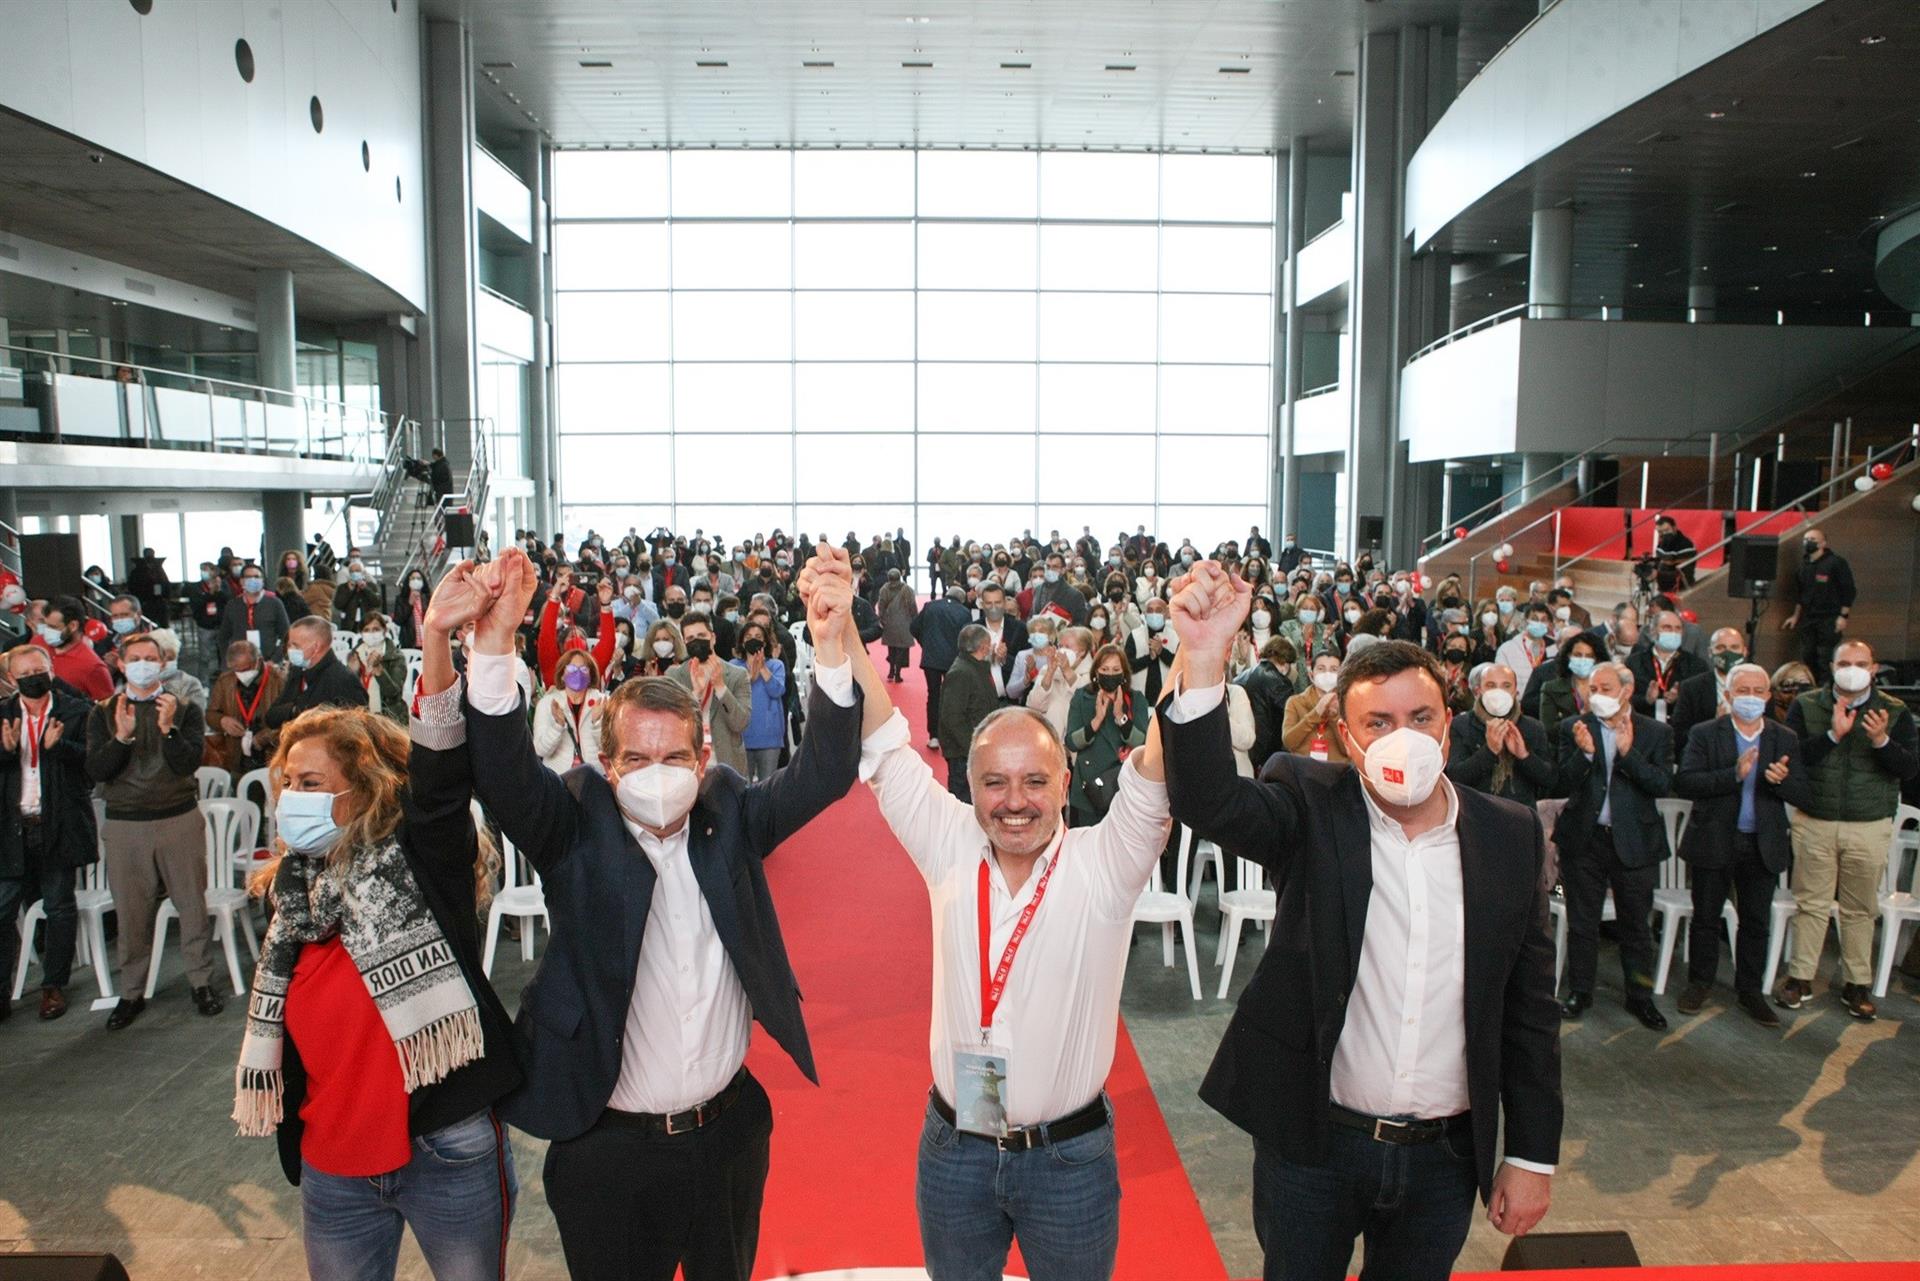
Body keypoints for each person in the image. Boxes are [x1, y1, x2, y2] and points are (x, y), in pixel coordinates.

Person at [448, 544, 866, 1281]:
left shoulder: (731, 810)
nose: (657, 775)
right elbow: (505, 773)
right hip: (608, 1148)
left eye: (673, 758)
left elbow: (827, 773)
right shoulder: (574, 820)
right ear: (606, 766)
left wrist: (829, 646)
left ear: (702, 760)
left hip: (726, 1134)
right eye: (636, 761)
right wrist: (494, 645)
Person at [1159, 563, 1560, 1281]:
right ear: (1347, 736)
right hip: (1317, 1141)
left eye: (1420, 718)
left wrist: (1530, 1154)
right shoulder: (1309, 803)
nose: (1402, 737)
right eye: (1379, 722)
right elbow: (1212, 801)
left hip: (1443, 1155)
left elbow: (1529, 1009)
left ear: (1449, 722)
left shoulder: (1510, 833)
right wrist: (1205, 657)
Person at [847, 608, 1171, 1280]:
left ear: (1063, 786)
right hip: (955, 1150)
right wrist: (841, 632)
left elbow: (1153, 779)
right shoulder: (948, 840)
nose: (1014, 801)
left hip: (1069, 1161)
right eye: (995, 781)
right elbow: (884, 746)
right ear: (970, 787)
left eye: (1035, 781)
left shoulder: (1105, 861)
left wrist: (1199, 654)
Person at [234, 680, 521, 1281]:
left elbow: (441, 782)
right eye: (287, 782)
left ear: (362, 789)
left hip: (444, 1149)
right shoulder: (289, 896)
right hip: (333, 1162)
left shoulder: (422, 861)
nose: (292, 797)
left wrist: (439, 637)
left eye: (311, 784)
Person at [1777, 639, 1918, 1020]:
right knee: (1811, 904)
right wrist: (1832, 736)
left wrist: (1881, 741)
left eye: (1860, 663)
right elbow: (1794, 759)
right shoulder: (1806, 705)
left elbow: (1908, 769)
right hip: (1816, 819)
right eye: (1845, 662)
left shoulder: (1895, 711)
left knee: (1860, 909)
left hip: (1868, 823)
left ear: (1873, 669)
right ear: (1832, 666)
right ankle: (1800, 977)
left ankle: (1857, 984)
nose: (1852, 668)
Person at [85, 632, 218, 1027]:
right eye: (135, 658)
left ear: (162, 664)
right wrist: (122, 738)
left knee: (192, 907)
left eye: (151, 657)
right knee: (132, 914)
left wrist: (168, 728)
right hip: (126, 824)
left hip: (178, 817)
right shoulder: (102, 713)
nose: (144, 664)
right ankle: (131, 993)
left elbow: (187, 763)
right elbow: (98, 770)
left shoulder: (185, 709)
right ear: (121, 665)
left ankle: (201, 983)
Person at [1672, 663, 1811, 1026]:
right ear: (1729, 696)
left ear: (1768, 696)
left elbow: (1802, 792)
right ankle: (1699, 983)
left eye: (1758, 691)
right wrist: (1732, 775)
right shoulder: (1705, 733)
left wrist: (1781, 782)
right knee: (1705, 918)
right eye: (1742, 691)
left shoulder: (1784, 738)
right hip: (1714, 838)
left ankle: (1750, 991)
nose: (1750, 697)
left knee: (1755, 922)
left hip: (1761, 842)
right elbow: (1686, 782)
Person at [1553, 661, 1674, 1030]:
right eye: (1593, 689)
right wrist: (1586, 755)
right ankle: (1580, 992)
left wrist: (1628, 754)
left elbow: (1661, 784)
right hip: (1584, 840)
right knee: (1583, 921)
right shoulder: (1573, 729)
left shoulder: (1655, 732)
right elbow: (1559, 781)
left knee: (1636, 925)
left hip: (1635, 841)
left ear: (1627, 689)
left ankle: (1641, 997)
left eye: (1605, 688)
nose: (1597, 696)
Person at [0, 645, 96, 1022]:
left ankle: (53, 986)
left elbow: (94, 769)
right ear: (11, 679)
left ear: (52, 671)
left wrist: (60, 749)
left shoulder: (76, 711)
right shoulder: (3, 716)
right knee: (3, 910)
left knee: (59, 907)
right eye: (25, 674)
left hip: (58, 825)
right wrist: (5, 753)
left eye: (39, 670)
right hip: (11, 828)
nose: (33, 678)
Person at [1447, 663, 1554, 807]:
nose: (1499, 692)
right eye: (1491, 686)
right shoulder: (1461, 725)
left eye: (1506, 686)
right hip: (1475, 812)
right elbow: (1455, 778)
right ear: (1478, 691)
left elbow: (1549, 780)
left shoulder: (1533, 727)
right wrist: (1489, 751)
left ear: (1516, 692)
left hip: (1520, 815)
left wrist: (1524, 756)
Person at [1065, 645, 1147, 826]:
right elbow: (1071, 741)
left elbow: (1143, 742)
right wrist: (1096, 721)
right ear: (1096, 672)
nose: (1110, 674)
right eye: (1105, 669)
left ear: (1124, 673)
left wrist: (1121, 717)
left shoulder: (1136, 699)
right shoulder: (1082, 696)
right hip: (1087, 792)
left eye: (1116, 670)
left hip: (1122, 788)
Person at [666, 612, 753, 776]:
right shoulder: (674, 676)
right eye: (690, 638)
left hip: (726, 764)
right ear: (684, 642)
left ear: (712, 638)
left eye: (701, 635)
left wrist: (720, 687)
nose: (696, 641)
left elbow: (741, 723)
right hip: (689, 765)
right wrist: (695, 694)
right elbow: (671, 725)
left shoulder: (737, 675)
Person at [264, 619, 367, 733]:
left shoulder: (343, 679)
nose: (290, 650)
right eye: (289, 645)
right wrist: (295, 710)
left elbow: (357, 731)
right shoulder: (297, 671)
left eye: (295, 646)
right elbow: (271, 717)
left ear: (316, 647)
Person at [1781, 527, 1856, 685]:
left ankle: (1826, 688)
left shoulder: (1836, 563)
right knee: (1808, 655)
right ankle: (1813, 688)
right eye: (1806, 539)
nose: (1808, 543)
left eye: (1813, 540)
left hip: (1829, 618)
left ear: (1823, 543)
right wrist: (1795, 616)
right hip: (1808, 618)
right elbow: (1801, 595)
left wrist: (1843, 616)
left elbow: (1849, 591)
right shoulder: (1804, 565)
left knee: (1825, 657)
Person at [204, 639, 286, 779]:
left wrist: (266, 736)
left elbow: (292, 720)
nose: (241, 674)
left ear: (258, 661)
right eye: (236, 670)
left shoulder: (278, 680)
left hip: (272, 757)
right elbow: (210, 714)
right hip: (237, 758)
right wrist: (222, 721)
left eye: (246, 669)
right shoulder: (225, 681)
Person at [938, 625, 1001, 804]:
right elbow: (952, 717)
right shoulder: (962, 673)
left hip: (974, 748)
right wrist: (973, 748)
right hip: (964, 754)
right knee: (964, 802)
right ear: (983, 647)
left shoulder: (975, 667)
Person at [1670, 627, 1748, 748]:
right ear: (1710, 652)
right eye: (1720, 648)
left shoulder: (1758, 687)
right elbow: (1678, 735)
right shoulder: (1691, 687)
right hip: (1706, 757)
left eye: (1734, 647)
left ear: (1744, 652)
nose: (1727, 653)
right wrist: (1713, 724)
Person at [533, 650, 607, 776]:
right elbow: (540, 750)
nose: (577, 673)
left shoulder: (603, 702)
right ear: (562, 674)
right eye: (572, 668)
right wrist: (558, 726)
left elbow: (610, 749)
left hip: (595, 778)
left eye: (584, 669)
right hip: (558, 778)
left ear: (591, 676)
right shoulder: (547, 703)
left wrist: (597, 723)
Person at [1626, 609, 1707, 722]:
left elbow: (1703, 704)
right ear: (1653, 631)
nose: (1673, 632)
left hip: (1680, 730)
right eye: (1667, 627)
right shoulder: (1634, 662)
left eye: (1678, 628)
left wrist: (1680, 700)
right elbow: (1624, 698)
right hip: (1643, 726)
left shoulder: (1697, 665)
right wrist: (1646, 700)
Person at [732, 621, 786, 783]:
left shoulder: (776, 665)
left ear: (764, 642)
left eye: (757, 637)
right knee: (742, 785)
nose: (753, 640)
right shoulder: (734, 666)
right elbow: (728, 695)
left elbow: (777, 690)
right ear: (742, 642)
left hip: (769, 735)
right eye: (748, 637)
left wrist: (762, 668)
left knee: (767, 785)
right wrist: (749, 677)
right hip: (742, 735)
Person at [33, 596, 116, 701]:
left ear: (73, 626)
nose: (47, 632)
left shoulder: (92, 666)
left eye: (53, 627)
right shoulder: (37, 642)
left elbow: (105, 709)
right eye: (46, 626)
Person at [1238, 636, 1297, 771]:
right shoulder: (1279, 682)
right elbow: (1292, 717)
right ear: (1285, 662)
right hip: (1265, 753)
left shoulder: (1242, 676)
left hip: (1242, 747)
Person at [1281, 652, 1349, 765]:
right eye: (1321, 669)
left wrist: (1334, 718)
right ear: (1311, 675)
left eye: (1333, 669)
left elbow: (1348, 749)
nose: (1327, 674)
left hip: (1338, 772)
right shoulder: (1295, 702)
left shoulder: (1348, 703)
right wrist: (1316, 713)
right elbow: (1288, 742)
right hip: (1303, 771)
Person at [218, 563, 292, 665]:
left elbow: (287, 636)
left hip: (268, 663)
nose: (253, 580)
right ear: (241, 581)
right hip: (240, 664)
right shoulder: (232, 605)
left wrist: (274, 660)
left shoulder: (275, 603)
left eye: (256, 577)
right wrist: (228, 661)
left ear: (262, 580)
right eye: (248, 577)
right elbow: (223, 637)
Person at [348, 613, 407, 726]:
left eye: (376, 629)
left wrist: (380, 672)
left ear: (384, 631)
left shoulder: (395, 656)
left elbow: (394, 693)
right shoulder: (355, 655)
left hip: (389, 717)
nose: (371, 634)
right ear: (361, 633)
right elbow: (348, 692)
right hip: (362, 717)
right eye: (367, 630)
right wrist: (352, 673)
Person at [1494, 603, 1555, 699]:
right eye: (1534, 619)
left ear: (1549, 624)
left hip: (1545, 703)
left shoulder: (1554, 648)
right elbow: (1501, 679)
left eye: (1543, 620)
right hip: (1516, 703)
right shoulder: (1507, 648)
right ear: (1526, 620)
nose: (1539, 623)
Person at [877, 568, 917, 682]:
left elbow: (881, 606)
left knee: (891, 648)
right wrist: (915, 619)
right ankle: (898, 673)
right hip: (904, 622)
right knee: (901, 649)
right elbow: (912, 607)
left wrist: (882, 619)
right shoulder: (907, 590)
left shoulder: (884, 589)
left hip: (889, 622)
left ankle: (891, 671)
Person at [332, 561, 383, 635]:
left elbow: (377, 602)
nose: (355, 573)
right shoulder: (343, 587)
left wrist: (365, 589)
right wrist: (350, 590)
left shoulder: (371, 586)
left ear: (362, 572)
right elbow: (338, 605)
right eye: (352, 571)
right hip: (349, 624)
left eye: (357, 571)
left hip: (367, 622)